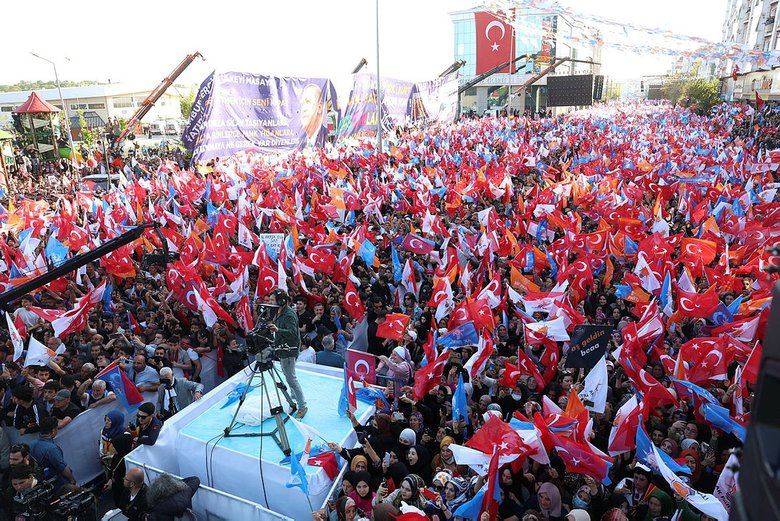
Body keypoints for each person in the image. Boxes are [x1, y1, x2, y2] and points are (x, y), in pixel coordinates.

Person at [267, 289, 307, 419]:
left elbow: (293, 333)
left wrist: (278, 329)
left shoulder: (289, 314)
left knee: (291, 379)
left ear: (281, 301)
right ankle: (294, 398)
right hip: (282, 348)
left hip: (289, 349)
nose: (270, 302)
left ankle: (302, 406)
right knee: (288, 375)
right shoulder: (279, 311)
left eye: (273, 300)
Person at [29, 417, 77, 487]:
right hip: (56, 482)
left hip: (40, 482)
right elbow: (62, 468)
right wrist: (72, 480)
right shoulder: (52, 449)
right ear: (53, 430)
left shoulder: (31, 444)